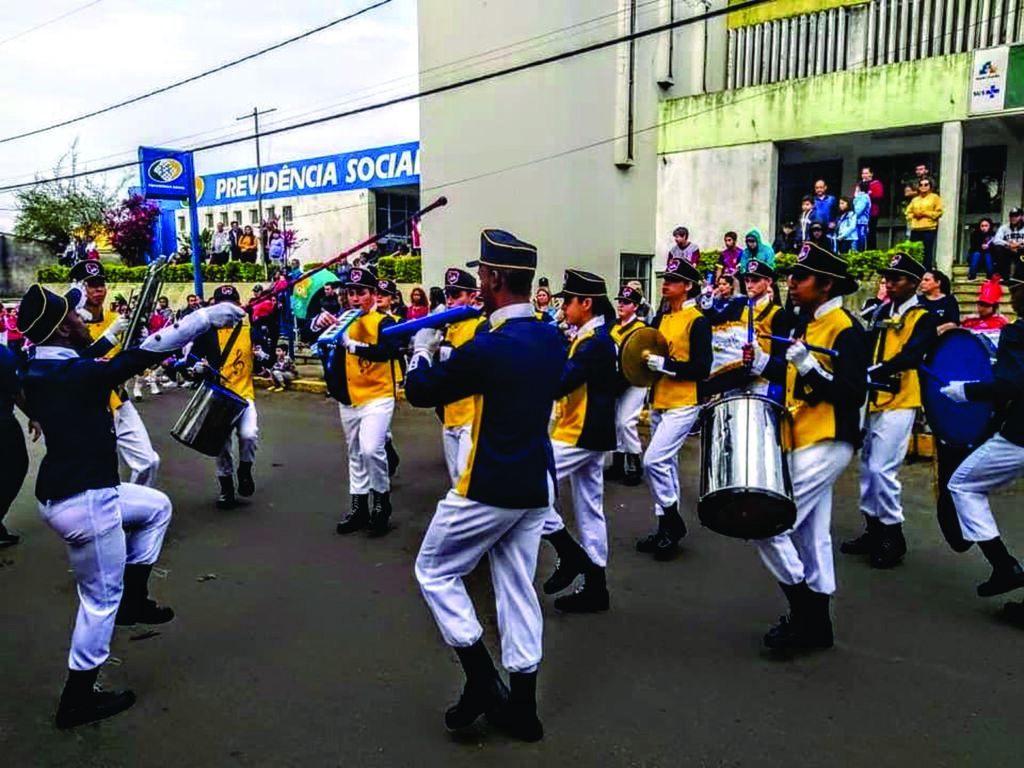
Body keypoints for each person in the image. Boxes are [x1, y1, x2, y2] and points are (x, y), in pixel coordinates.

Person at [17, 283, 242, 729]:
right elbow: (143, 355)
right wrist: (203, 319)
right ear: (63, 329)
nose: (84, 318)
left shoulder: (38, 367)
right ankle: (78, 697)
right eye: (76, 315)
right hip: (86, 501)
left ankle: (135, 600)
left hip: (65, 493)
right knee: (98, 601)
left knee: (156, 506)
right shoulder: (77, 375)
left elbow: (102, 353)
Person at [405, 229, 564, 742]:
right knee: (518, 590)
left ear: (494, 278)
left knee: (433, 571)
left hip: (489, 483)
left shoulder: (487, 346)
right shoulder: (549, 337)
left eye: (482, 275)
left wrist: (421, 348)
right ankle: (524, 709)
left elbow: (421, 392)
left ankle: (480, 678)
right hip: (535, 484)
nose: (478, 282)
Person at [751, 241, 868, 650]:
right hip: (802, 433)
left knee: (765, 521)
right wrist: (760, 364)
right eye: (792, 276)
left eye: (801, 277)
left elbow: (853, 394)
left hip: (829, 436)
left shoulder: (846, 327)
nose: (792, 283)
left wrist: (810, 367)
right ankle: (818, 623)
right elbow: (793, 378)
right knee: (811, 535)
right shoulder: (809, 325)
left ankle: (805, 614)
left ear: (827, 283)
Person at [843, 253, 937, 569]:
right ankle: (873, 528)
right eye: (888, 279)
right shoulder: (882, 310)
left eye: (897, 279)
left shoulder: (923, 316)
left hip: (901, 399)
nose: (890, 284)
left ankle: (893, 535)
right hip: (874, 397)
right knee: (869, 466)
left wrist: (881, 368)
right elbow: (867, 342)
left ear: (913, 283)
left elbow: (914, 354)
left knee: (884, 469)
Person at [539, 270, 619, 613]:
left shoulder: (595, 342)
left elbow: (561, 381)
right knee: (589, 510)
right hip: (586, 430)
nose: (562, 307)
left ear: (586, 304)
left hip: (581, 432)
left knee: (529, 484)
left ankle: (568, 552)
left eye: (566, 301)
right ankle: (596, 587)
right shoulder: (591, 336)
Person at [942, 275, 1024, 612]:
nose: (1011, 294)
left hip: (1021, 435)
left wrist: (967, 391)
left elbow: (1012, 385)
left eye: (1016, 287)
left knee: (963, 485)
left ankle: (1003, 566)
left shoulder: (1018, 332)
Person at [637, 254, 712, 560]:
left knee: (653, 460)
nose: (665, 285)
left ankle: (673, 520)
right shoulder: (662, 318)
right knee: (666, 466)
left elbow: (702, 367)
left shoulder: (698, 321)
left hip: (684, 400)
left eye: (672, 281)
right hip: (660, 398)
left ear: (688, 286)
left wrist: (666, 365)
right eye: (665, 281)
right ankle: (665, 528)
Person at [326, 266, 404, 536]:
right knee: (355, 453)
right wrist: (320, 326)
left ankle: (382, 501)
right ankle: (358, 507)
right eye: (351, 293)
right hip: (349, 396)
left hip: (377, 395)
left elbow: (389, 351)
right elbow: (323, 343)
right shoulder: (343, 319)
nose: (355, 298)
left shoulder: (385, 321)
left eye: (361, 293)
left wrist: (352, 345)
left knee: (372, 449)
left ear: (373, 294)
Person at [70, 261, 161, 487]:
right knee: (99, 470)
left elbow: (128, 362)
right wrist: (108, 336)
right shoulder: (71, 323)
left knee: (148, 462)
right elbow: (77, 362)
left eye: (100, 284)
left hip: (118, 399)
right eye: (91, 285)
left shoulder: (116, 319)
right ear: (80, 289)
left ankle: (136, 509)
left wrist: (141, 344)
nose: (98, 290)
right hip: (89, 406)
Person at [190, 286, 259, 509]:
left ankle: (245, 469)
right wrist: (197, 367)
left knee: (249, 434)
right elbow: (191, 357)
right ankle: (226, 488)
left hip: (244, 394)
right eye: (222, 303)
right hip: (217, 396)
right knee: (221, 446)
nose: (227, 307)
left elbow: (264, 354)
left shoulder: (249, 326)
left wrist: (262, 354)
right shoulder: (206, 330)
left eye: (232, 302)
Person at [437, 268, 486, 487]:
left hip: (472, 415)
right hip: (450, 414)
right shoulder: (448, 327)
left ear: (472, 296)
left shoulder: (480, 326)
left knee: (468, 479)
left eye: (456, 295)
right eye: (448, 294)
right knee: (456, 481)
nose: (450, 301)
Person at [606, 285, 648, 485]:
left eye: (626, 302)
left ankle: (633, 463)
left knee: (626, 422)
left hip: (634, 381)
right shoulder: (612, 325)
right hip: (614, 379)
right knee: (615, 422)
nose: (621, 305)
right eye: (620, 301)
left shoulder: (641, 329)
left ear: (635, 306)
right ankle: (617, 462)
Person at [0, 342, 39, 547]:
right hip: (2, 424)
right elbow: (15, 391)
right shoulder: (2, 354)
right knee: (15, 467)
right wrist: (32, 415)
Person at [905, 177, 943, 269]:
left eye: (926, 185)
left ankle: (926, 271)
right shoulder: (915, 199)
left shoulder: (935, 198)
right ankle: (914, 270)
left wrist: (925, 213)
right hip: (916, 228)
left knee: (927, 251)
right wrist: (914, 216)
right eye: (921, 185)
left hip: (929, 228)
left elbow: (939, 212)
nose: (923, 187)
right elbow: (908, 212)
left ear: (930, 186)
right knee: (914, 251)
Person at [962, 277, 1009, 348]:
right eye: (981, 304)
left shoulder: (1001, 322)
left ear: (994, 307)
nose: (982, 308)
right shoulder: (968, 321)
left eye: (987, 305)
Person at [918, 270, 960, 334]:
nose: (922, 283)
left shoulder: (949, 300)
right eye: (922, 280)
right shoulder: (918, 300)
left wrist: (932, 332)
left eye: (926, 280)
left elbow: (953, 323)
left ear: (938, 282)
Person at [992, 207, 1024, 281]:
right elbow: (996, 240)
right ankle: (1004, 276)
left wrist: (1020, 243)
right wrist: (1008, 244)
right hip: (1009, 250)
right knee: (998, 249)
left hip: (1021, 250)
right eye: (1012, 216)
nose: (1014, 218)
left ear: (1021, 217)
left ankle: (1019, 278)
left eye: (1016, 216)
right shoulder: (1004, 228)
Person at [856, 167, 885, 250]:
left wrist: (869, 193)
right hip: (860, 213)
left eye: (866, 173)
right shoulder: (859, 185)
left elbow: (879, 196)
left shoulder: (876, 184)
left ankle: (871, 250)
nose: (864, 175)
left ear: (871, 174)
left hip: (872, 212)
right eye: (863, 173)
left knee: (870, 233)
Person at [852, 181, 872, 252]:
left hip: (861, 224)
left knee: (859, 245)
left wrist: (856, 198)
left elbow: (858, 211)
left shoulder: (863, 197)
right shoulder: (864, 197)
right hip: (859, 223)